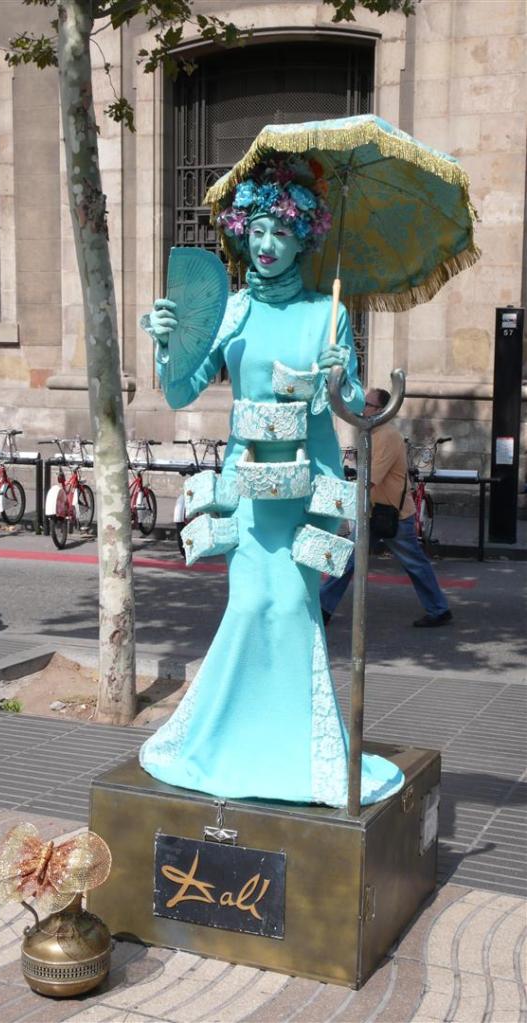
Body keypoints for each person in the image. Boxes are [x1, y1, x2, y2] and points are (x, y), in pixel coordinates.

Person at [139, 155, 404, 807]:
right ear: (241, 233)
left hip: (309, 489)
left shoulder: (327, 313)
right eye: (256, 230)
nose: (266, 244)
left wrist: (341, 375)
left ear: (303, 238)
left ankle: (296, 751)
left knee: (291, 607)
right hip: (250, 488)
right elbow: (180, 391)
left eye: (280, 232)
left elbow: (351, 410)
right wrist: (166, 344)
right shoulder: (230, 311)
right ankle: (230, 743)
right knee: (251, 605)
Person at [321, 387, 453, 628]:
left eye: (368, 404)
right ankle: (323, 608)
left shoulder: (386, 436)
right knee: (348, 559)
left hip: (393, 514)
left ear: (381, 410)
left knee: (414, 564)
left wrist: (337, 497)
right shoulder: (372, 434)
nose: (362, 408)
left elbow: (371, 478)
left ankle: (439, 609)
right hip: (374, 512)